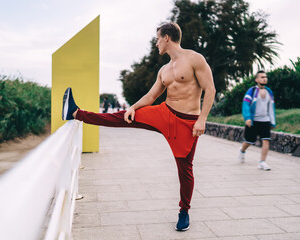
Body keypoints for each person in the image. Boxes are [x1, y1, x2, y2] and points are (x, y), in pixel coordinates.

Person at [62, 22, 215, 231]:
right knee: (122, 117)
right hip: (165, 112)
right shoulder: (164, 69)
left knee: (185, 170)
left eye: (157, 38)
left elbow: (210, 89)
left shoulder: (195, 59)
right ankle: (76, 113)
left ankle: (184, 211)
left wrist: (202, 119)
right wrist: (132, 107)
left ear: (167, 38)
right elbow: (152, 96)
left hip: (187, 121)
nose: (156, 43)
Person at [238, 70, 276, 170]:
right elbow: (246, 104)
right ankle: (242, 150)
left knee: (266, 140)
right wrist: (247, 118)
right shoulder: (252, 91)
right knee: (249, 141)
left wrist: (272, 121)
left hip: (265, 120)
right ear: (257, 79)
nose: (265, 78)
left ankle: (262, 162)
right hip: (253, 121)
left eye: (266, 77)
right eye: (262, 77)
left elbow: (271, 107)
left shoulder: (269, 92)